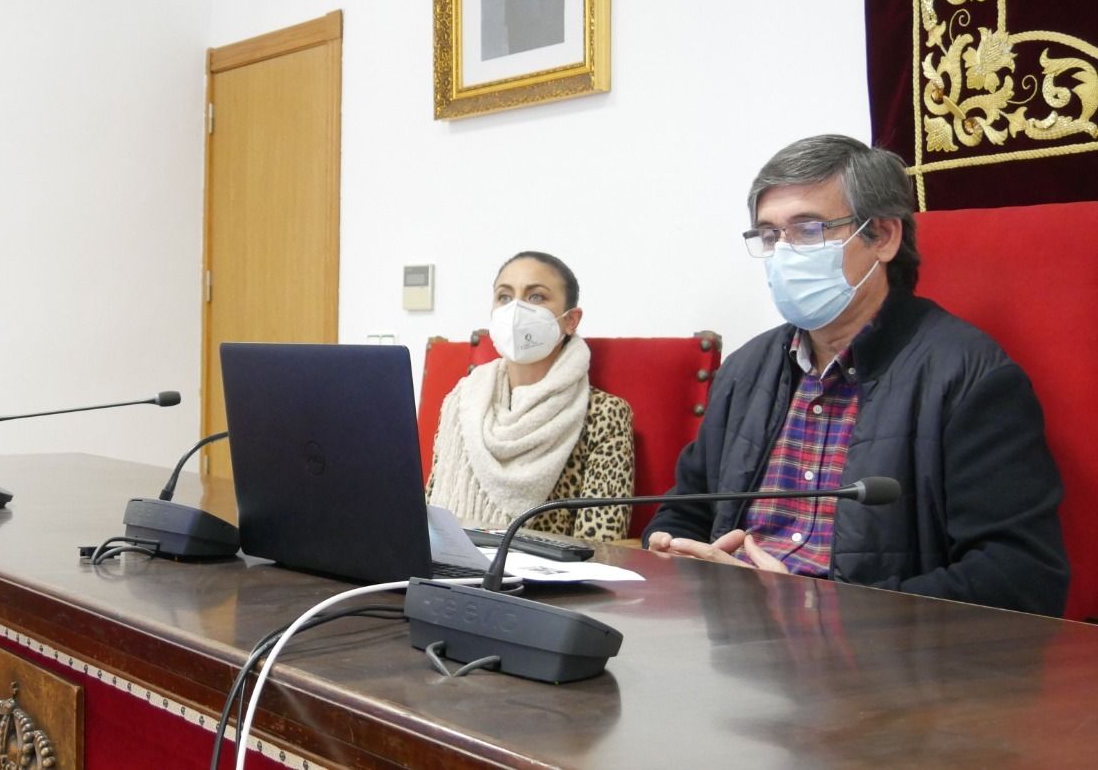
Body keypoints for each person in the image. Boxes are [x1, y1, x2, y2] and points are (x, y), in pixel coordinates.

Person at [643, 134, 1069, 616]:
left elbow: (1021, 576)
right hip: (737, 646)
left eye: (808, 230)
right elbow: (685, 509)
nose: (784, 253)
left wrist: (819, 609)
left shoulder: (968, 376)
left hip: (879, 666)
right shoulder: (745, 370)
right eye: (769, 235)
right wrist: (675, 548)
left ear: (883, 236)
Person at [427, 251, 634, 541]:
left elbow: (602, 544)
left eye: (536, 297)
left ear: (571, 320)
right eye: (504, 297)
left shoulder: (604, 414)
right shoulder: (461, 403)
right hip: (448, 568)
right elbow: (429, 516)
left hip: (548, 583)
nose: (515, 311)